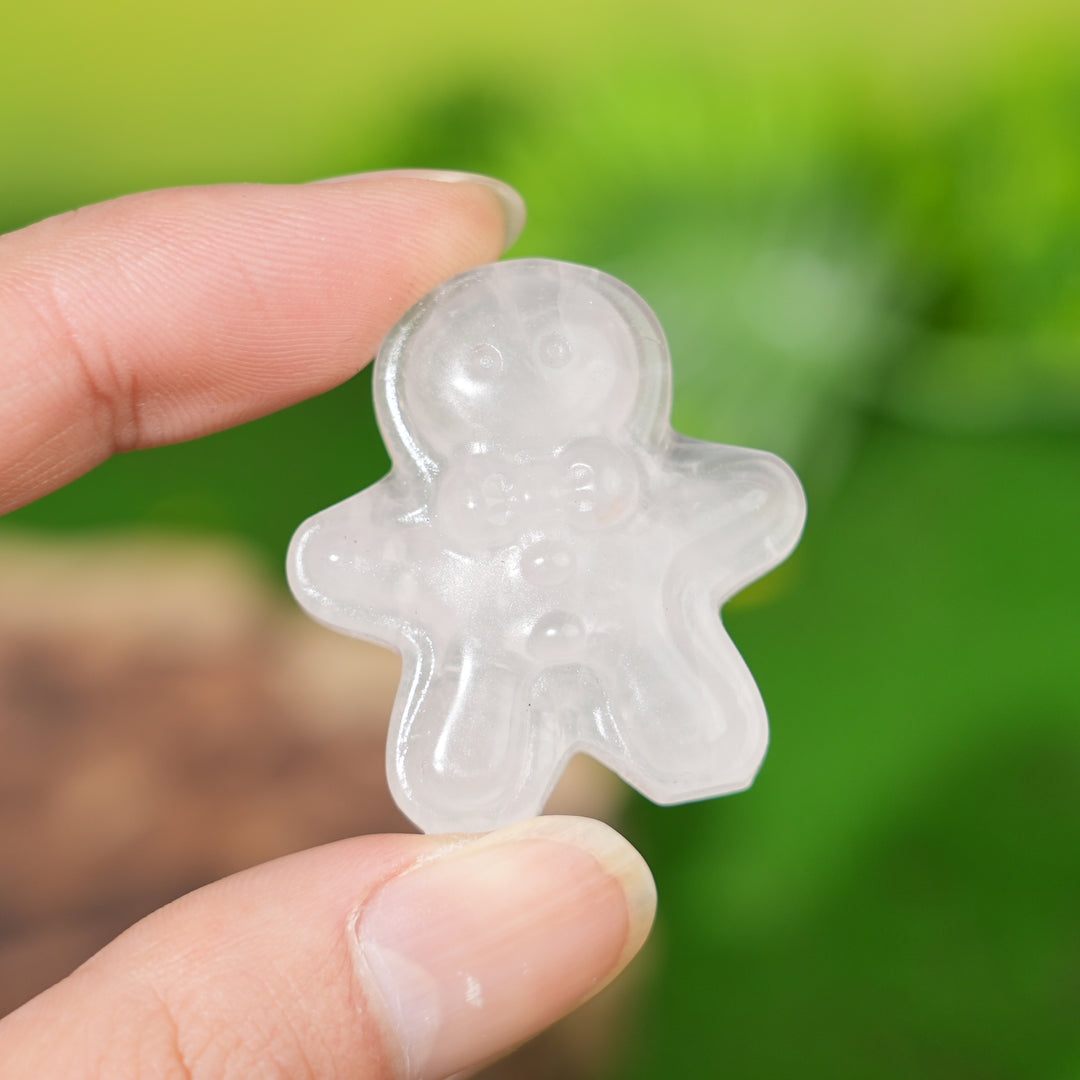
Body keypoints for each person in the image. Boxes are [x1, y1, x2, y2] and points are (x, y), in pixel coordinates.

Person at [0, 171, 656, 1079]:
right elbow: (340, 560)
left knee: (646, 700)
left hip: (618, 647)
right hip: (475, 687)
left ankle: (662, 739)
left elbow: (748, 508)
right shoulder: (445, 502)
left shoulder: (630, 491)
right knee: (475, 752)